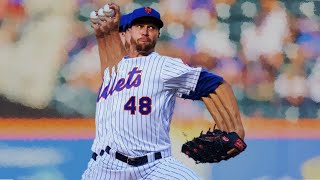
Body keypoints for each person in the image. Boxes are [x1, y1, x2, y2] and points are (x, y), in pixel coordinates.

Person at [83, 4, 245, 180]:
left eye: (151, 27)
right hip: (106, 167)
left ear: (158, 34)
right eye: (139, 26)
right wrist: (104, 34)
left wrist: (234, 129)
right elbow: (110, 55)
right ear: (127, 33)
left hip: (154, 166)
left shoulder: (162, 66)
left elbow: (215, 84)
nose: (145, 31)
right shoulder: (113, 72)